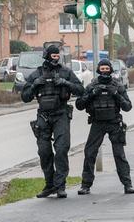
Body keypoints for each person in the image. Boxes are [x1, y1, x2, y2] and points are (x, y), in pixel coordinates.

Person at [21, 44, 84, 198]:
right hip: (43, 116)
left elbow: (80, 90)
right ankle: (50, 185)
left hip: (61, 114)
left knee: (61, 149)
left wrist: (65, 83)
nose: (55, 58)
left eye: (57, 56)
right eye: (53, 55)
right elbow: (25, 97)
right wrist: (35, 84)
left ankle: (60, 185)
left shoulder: (65, 72)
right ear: (46, 55)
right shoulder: (37, 73)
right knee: (44, 152)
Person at [76, 59, 134, 195]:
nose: (104, 72)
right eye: (102, 69)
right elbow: (79, 105)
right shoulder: (92, 86)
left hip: (114, 123)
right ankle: (86, 185)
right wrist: (92, 94)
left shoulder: (117, 85)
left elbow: (127, 106)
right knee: (90, 153)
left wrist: (116, 94)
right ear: (98, 70)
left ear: (110, 70)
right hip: (98, 123)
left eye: (106, 69)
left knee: (119, 154)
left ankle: (127, 184)